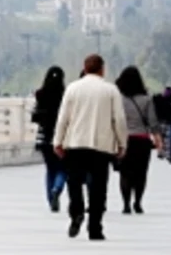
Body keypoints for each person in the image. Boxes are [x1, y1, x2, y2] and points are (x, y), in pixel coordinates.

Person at [53, 54, 128, 242]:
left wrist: (57, 141)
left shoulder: (72, 88)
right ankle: (95, 228)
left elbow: (63, 118)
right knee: (98, 188)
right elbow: (118, 119)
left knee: (74, 183)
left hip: (76, 144)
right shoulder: (111, 90)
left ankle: (76, 212)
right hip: (101, 146)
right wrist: (122, 143)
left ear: (84, 68)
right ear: (102, 69)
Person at [114, 65, 162, 215]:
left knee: (125, 173)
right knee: (141, 173)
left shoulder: (117, 99)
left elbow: (113, 120)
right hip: (142, 141)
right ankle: (138, 203)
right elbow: (153, 122)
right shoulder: (146, 99)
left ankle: (126, 204)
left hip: (124, 140)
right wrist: (158, 141)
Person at [32, 66, 67, 212]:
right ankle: (57, 189)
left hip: (44, 137)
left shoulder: (40, 94)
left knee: (50, 169)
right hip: (61, 136)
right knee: (63, 167)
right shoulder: (65, 94)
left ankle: (50, 197)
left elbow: (35, 116)